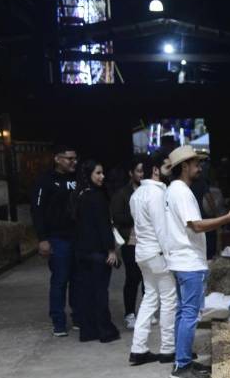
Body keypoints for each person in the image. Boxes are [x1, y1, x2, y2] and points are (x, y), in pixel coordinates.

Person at [164, 145, 230, 378]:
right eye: (195, 164)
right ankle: (182, 368)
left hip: (180, 259)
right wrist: (228, 218)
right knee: (190, 314)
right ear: (183, 167)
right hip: (188, 261)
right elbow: (197, 225)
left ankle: (183, 359)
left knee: (183, 313)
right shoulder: (182, 192)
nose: (199, 167)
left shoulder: (174, 189)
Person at [128, 150, 178, 366]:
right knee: (168, 299)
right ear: (156, 170)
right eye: (167, 167)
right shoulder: (157, 194)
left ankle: (138, 349)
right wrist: (172, 256)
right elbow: (161, 229)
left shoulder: (136, 194)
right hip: (158, 253)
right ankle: (168, 349)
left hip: (142, 253)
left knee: (150, 298)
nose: (169, 171)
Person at [32, 143, 81, 336]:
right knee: (60, 280)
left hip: (77, 237)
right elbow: (37, 211)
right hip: (57, 238)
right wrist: (42, 239)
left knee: (78, 280)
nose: (73, 162)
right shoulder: (45, 181)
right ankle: (58, 321)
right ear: (57, 159)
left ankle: (78, 316)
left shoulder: (78, 179)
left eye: (75, 158)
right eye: (70, 158)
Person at [71, 159, 120, 343]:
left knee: (86, 292)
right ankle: (104, 330)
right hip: (98, 252)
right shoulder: (97, 197)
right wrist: (111, 250)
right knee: (100, 292)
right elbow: (103, 226)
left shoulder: (79, 195)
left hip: (82, 252)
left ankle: (88, 330)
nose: (102, 177)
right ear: (89, 175)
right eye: (98, 173)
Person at [111, 158, 145, 330]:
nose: (142, 174)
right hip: (131, 241)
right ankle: (130, 313)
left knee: (149, 278)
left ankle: (147, 312)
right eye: (138, 171)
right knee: (132, 277)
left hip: (148, 240)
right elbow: (117, 217)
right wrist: (139, 214)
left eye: (143, 171)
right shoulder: (122, 193)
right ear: (131, 173)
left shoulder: (150, 190)